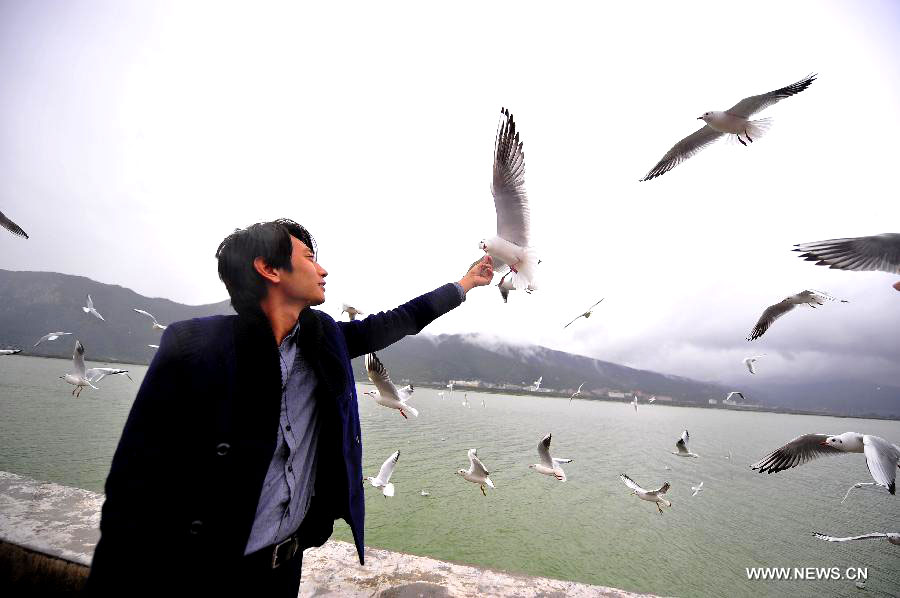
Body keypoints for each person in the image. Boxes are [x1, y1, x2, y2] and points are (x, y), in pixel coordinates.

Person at [86, 218, 493, 596]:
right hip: (202, 570)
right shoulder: (193, 346)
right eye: (310, 259)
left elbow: (401, 319)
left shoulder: (326, 340)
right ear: (269, 268)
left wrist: (465, 284)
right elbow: (132, 480)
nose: (323, 270)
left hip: (284, 568)